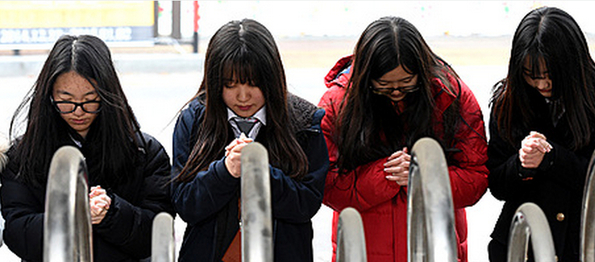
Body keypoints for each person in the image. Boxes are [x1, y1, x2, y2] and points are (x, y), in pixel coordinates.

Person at [319, 16, 489, 262]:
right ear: (367, 77)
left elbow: (477, 177)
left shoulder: (451, 96)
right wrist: (385, 174)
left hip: (436, 248)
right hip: (364, 249)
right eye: (384, 85)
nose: (397, 92)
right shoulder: (338, 103)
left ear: (421, 71)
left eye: (407, 82)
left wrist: (424, 177)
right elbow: (328, 186)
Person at [0, 35, 174, 261]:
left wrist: (111, 213)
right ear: (49, 96)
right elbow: (16, 233)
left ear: (108, 96)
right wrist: (71, 215)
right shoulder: (23, 156)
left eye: (90, 99)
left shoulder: (144, 152)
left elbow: (158, 232)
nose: (78, 111)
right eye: (66, 100)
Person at [171, 18, 329, 262]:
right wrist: (224, 171)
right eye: (230, 85)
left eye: (254, 84)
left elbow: (307, 204)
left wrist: (259, 171)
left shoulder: (305, 121)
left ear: (272, 79)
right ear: (215, 83)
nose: (243, 97)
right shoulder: (194, 120)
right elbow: (185, 204)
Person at [487, 7, 595, 262]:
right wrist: (521, 166)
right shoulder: (508, 100)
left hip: (590, 245)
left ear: (572, 65)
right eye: (531, 76)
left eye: (550, 76)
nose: (542, 85)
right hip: (524, 245)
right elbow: (497, 184)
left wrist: (552, 159)